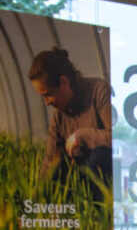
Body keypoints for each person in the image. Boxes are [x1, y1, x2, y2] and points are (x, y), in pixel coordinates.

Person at [28, 47, 112, 188]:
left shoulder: (99, 90)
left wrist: (82, 136)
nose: (46, 102)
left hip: (103, 172)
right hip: (80, 174)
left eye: (47, 94)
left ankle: (96, 207)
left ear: (64, 82)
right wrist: (35, 200)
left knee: (98, 156)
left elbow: (119, 140)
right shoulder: (59, 114)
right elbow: (51, 161)